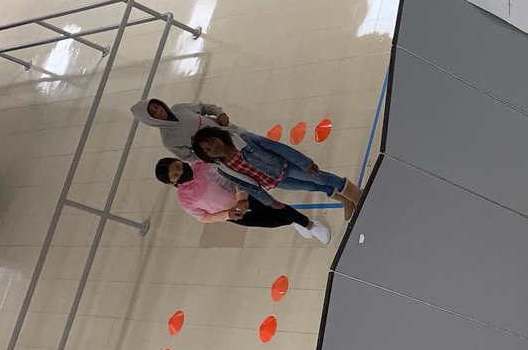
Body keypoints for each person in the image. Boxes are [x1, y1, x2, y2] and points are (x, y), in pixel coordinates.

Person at [191, 127, 362, 220]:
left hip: (286, 166)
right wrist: (269, 201)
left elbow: (276, 147)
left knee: (320, 177)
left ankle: (356, 194)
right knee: (313, 187)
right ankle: (346, 201)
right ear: (207, 156)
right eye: (207, 150)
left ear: (218, 136)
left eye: (211, 142)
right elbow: (248, 186)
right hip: (276, 181)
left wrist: (304, 163)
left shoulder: (243, 139)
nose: (213, 148)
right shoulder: (223, 168)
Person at [155, 157, 330, 243]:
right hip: (236, 214)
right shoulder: (185, 198)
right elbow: (203, 217)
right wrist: (227, 215)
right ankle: (294, 222)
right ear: (172, 182)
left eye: (178, 166)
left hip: (248, 193)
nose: (180, 171)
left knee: (279, 208)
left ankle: (310, 225)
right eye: (176, 174)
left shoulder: (202, 164)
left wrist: (241, 198)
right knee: (269, 222)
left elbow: (233, 176)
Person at [131, 96, 237, 159]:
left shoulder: (180, 108)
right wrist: (210, 156)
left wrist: (220, 113)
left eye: (156, 107)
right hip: (223, 155)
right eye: (153, 113)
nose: (158, 111)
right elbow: (189, 157)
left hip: (233, 133)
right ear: (150, 120)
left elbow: (203, 107)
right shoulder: (169, 140)